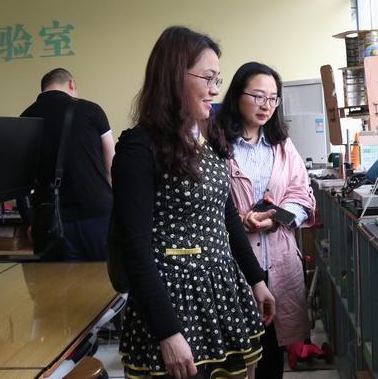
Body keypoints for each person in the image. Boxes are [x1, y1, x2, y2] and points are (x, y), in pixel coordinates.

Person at [111, 26, 275, 379]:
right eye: (208, 78)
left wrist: (256, 279)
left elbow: (226, 216)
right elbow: (135, 248)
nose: (215, 89)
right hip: (173, 303)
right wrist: (167, 332)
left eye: (218, 79)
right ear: (174, 77)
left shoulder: (207, 137)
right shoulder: (139, 148)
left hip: (222, 293)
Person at [216, 62, 316, 379]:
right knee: (235, 351)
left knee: (273, 349)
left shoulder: (282, 146)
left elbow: (302, 193)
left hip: (279, 260)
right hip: (233, 261)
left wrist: (277, 218)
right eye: (258, 96)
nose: (266, 106)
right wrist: (239, 220)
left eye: (273, 98)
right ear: (237, 96)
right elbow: (205, 204)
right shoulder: (217, 145)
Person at [21, 68, 115, 261]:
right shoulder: (92, 110)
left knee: (58, 280)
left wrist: (29, 221)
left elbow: (20, 180)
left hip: (49, 221)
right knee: (103, 277)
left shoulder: (25, 118)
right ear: (71, 83)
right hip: (97, 214)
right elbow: (112, 165)